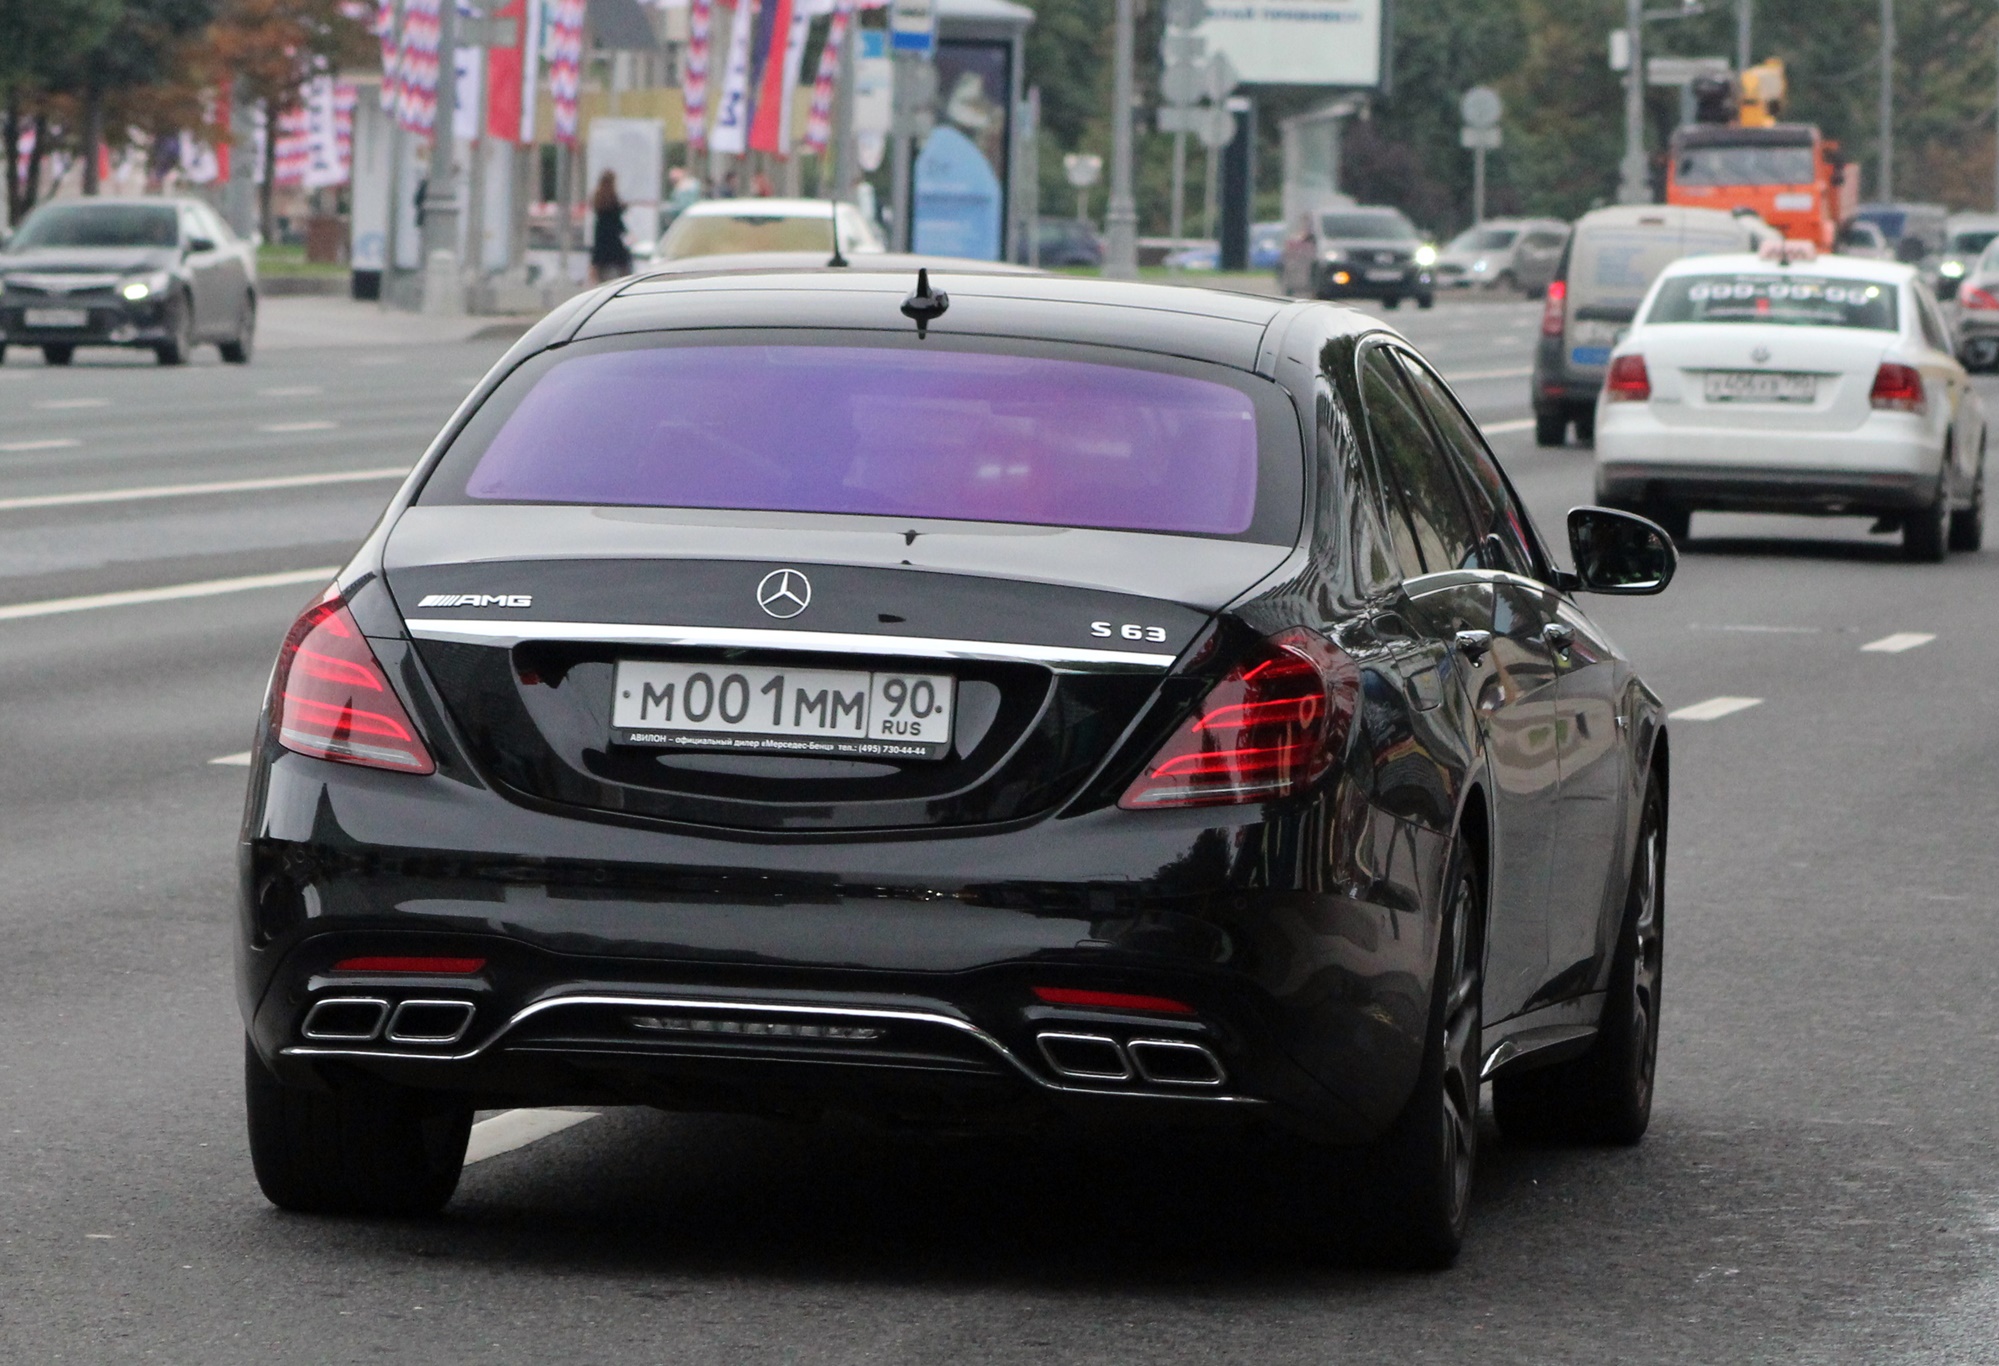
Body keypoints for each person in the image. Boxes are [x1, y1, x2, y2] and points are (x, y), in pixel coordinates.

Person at [590, 170, 632, 283]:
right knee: (624, 268)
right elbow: (616, 220)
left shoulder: (598, 197)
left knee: (601, 273)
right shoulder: (613, 197)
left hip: (601, 238)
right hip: (613, 239)